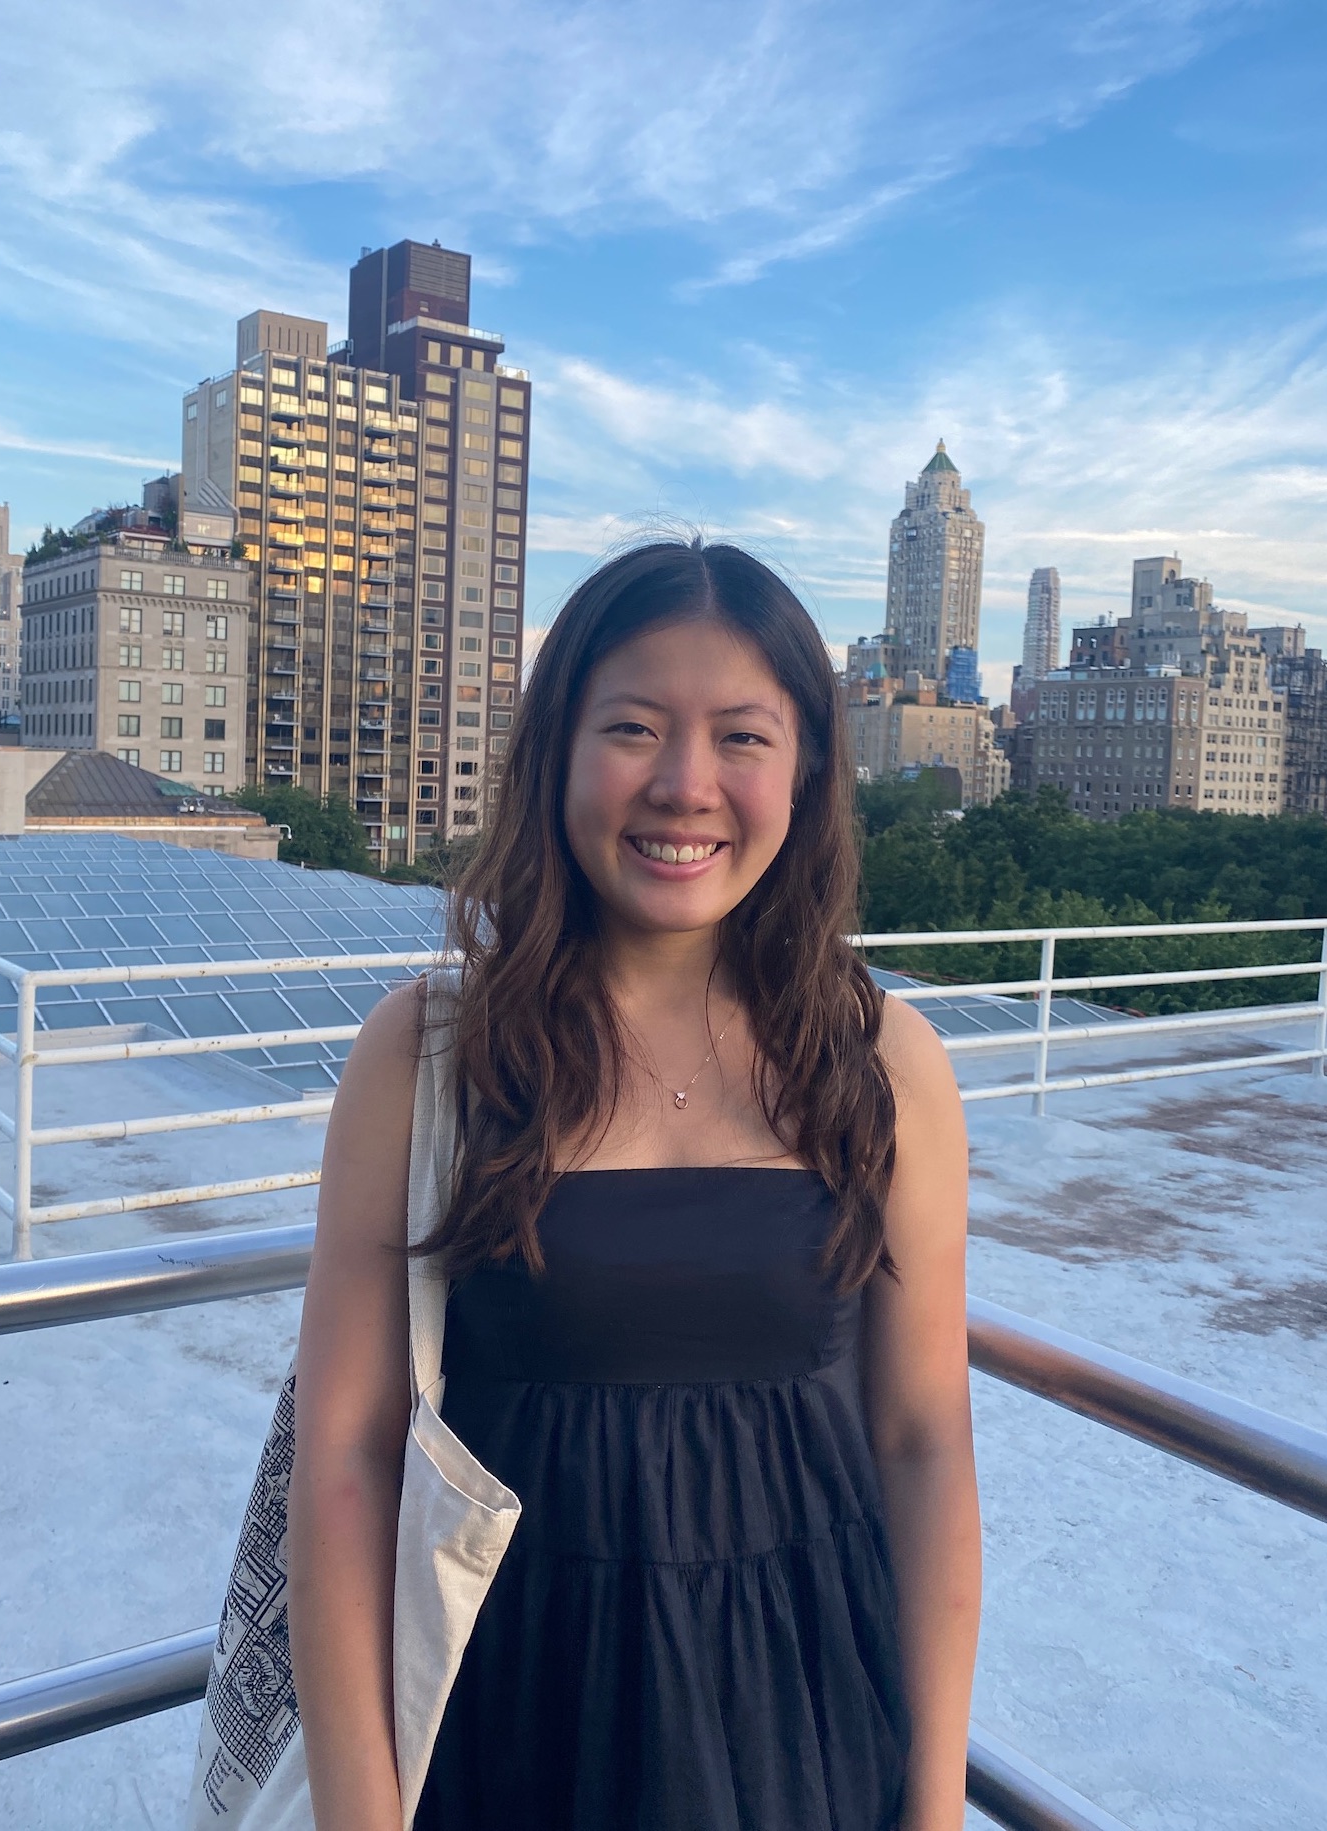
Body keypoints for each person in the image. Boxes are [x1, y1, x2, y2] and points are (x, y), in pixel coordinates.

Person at [287, 539, 980, 1831]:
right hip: (509, 1716)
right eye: (633, 729)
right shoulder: (427, 1057)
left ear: (810, 771)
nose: (683, 786)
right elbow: (346, 1456)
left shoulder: (885, 1066)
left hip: (807, 1718)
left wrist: (932, 1802)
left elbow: (922, 1441)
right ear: (553, 754)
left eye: (741, 738)